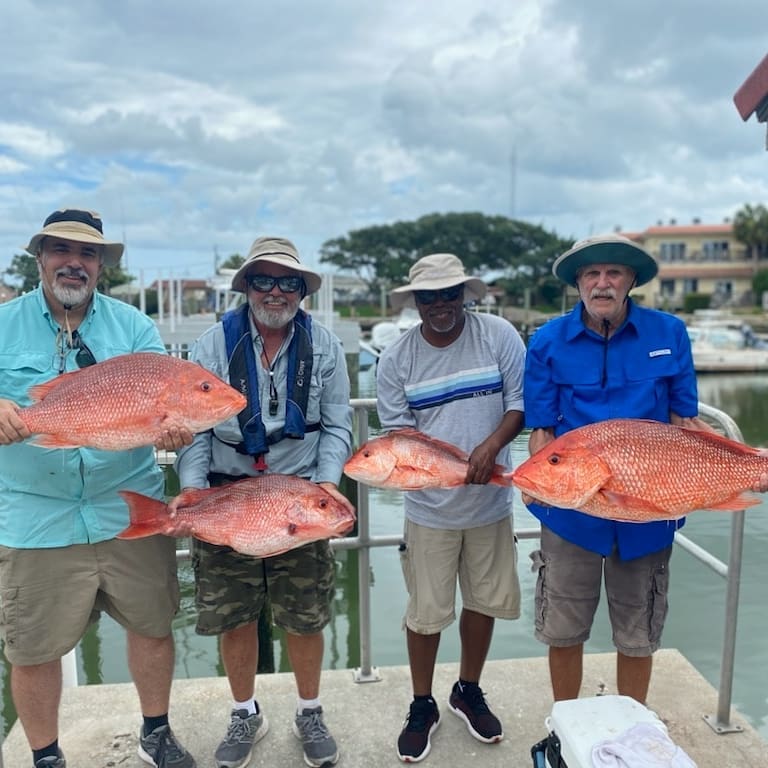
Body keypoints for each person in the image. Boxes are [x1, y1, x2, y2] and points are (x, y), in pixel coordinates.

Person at [0, 209, 196, 768]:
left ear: (101, 267)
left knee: (152, 626)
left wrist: (176, 429)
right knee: (33, 650)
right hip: (35, 518)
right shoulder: (2, 324)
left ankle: (155, 732)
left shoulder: (134, 328)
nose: (74, 262)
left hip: (127, 508)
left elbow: (164, 406)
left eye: (88, 254)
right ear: (39, 257)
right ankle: (46, 756)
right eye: (61, 250)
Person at [523, 233, 727, 705]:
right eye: (591, 274)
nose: (602, 283)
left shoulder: (669, 333)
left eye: (614, 272)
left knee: (638, 630)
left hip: (648, 509)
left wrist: (730, 472)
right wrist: (532, 484)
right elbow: (541, 433)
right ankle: (565, 722)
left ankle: (633, 726)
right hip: (571, 514)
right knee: (563, 628)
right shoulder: (547, 341)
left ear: (632, 280)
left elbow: (686, 425)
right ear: (578, 282)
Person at [174, 236, 354, 768]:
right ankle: (244, 711)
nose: (275, 291)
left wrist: (325, 486)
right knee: (234, 617)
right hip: (230, 494)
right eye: (263, 280)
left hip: (299, 497)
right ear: (247, 287)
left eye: (288, 281)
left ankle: (309, 709)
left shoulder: (325, 347)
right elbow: (196, 431)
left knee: (305, 616)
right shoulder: (211, 344)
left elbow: (338, 423)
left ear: (301, 289)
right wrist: (194, 492)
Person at [376, 253, 526, 763]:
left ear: (465, 294)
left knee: (482, 602)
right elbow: (400, 437)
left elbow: (518, 404)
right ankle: (422, 703)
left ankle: (468, 688)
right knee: (425, 613)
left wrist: (490, 447)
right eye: (428, 296)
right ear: (414, 301)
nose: (439, 305)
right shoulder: (396, 359)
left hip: (490, 503)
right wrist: (444, 468)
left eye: (448, 294)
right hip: (429, 511)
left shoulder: (500, 335)